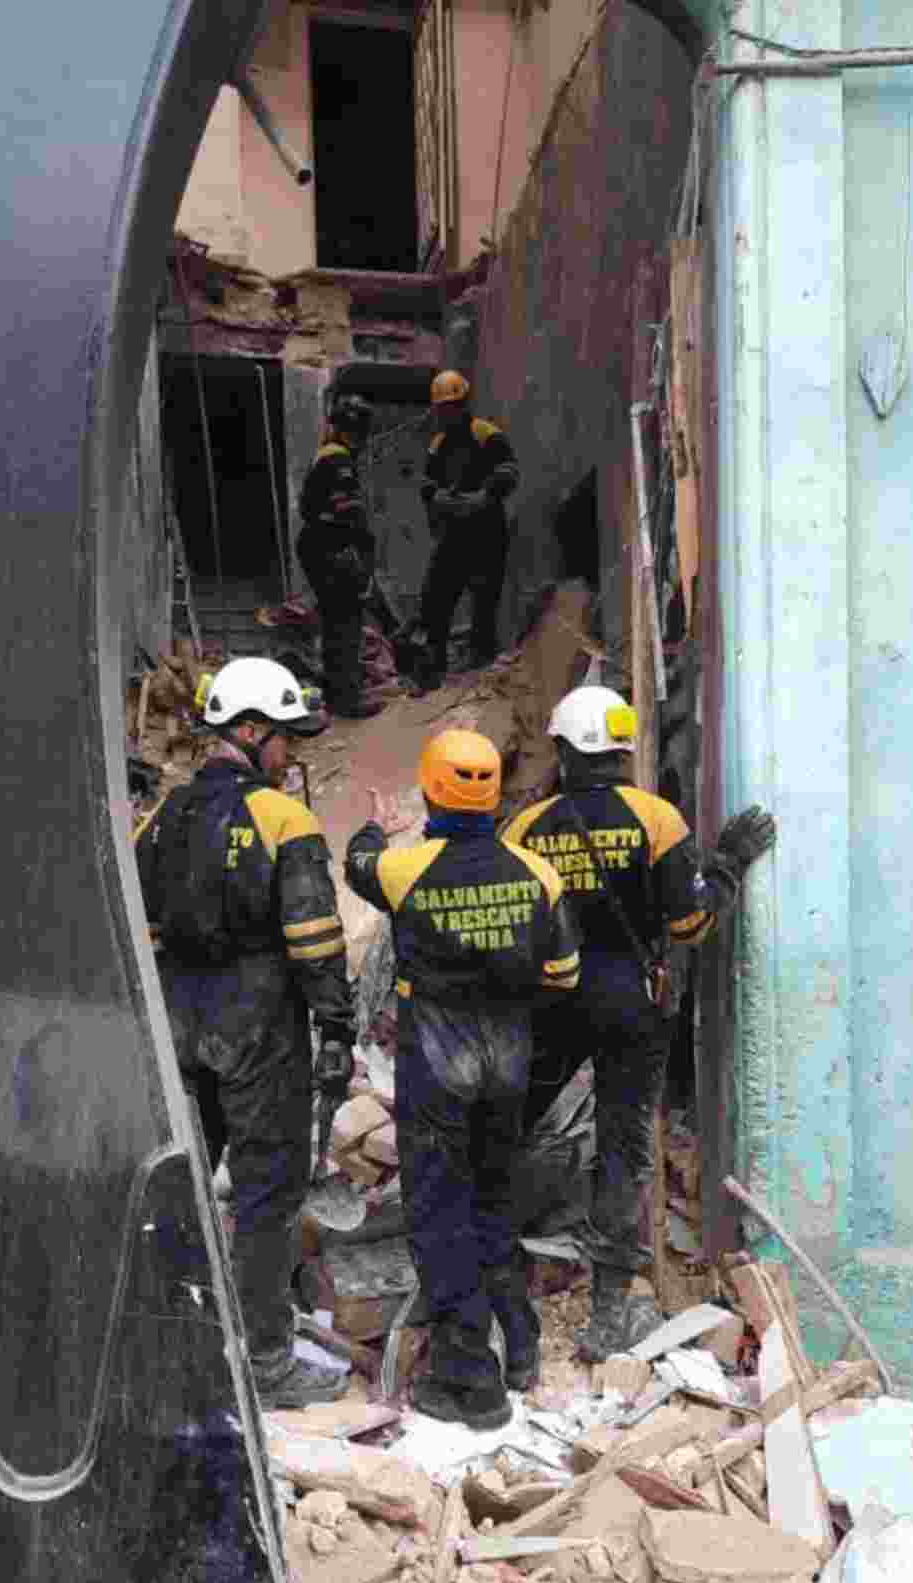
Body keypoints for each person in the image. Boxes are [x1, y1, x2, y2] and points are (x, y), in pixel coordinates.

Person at [503, 685, 776, 1361]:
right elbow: (690, 923)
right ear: (622, 752)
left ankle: (491, 1276)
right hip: (632, 1002)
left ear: (563, 750)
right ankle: (607, 1314)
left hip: (552, 1000)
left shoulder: (525, 829)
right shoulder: (656, 819)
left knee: (505, 1127)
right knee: (622, 1152)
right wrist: (728, 864)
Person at [135, 657, 356, 1407]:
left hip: (178, 1020)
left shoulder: (163, 815)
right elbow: (315, 937)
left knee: (180, 1183)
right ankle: (265, 1361)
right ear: (253, 731)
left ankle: (170, 1348)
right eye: (285, 737)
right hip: (259, 1026)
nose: (290, 754)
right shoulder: (282, 819)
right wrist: (336, 1026)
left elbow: (139, 921)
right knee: (268, 1193)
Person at [344, 729, 580, 1428]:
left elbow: (358, 865)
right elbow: (563, 974)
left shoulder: (404, 871)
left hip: (438, 1066)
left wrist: (375, 826)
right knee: (494, 1201)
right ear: (495, 793)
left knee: (441, 1213)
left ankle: (469, 1381)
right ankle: (522, 1348)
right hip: (508, 1063)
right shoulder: (537, 874)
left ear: (430, 790)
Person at [410, 371, 519, 694]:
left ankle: (480, 662)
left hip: (486, 530)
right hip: (453, 533)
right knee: (436, 597)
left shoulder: (486, 434)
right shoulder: (438, 444)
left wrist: (485, 495)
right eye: (442, 409)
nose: (446, 414)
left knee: (484, 597)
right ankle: (433, 668)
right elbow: (426, 483)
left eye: (451, 407)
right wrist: (437, 498)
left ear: (463, 404)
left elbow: (509, 471)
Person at [296, 392, 384, 721]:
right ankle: (347, 699)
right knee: (346, 621)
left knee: (335, 621)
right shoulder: (339, 460)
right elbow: (350, 513)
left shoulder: (326, 455)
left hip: (318, 546)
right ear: (356, 431)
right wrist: (363, 556)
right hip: (332, 548)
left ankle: (336, 694)